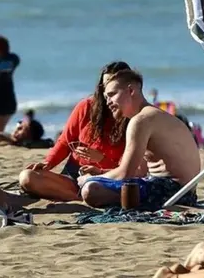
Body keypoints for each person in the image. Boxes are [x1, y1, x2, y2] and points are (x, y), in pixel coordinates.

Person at [78, 69, 201, 209]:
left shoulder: (140, 121)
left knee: (91, 189)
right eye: (106, 97)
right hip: (186, 193)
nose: (108, 102)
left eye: (112, 95)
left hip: (171, 192)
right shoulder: (152, 116)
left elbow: (125, 173)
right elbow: (140, 171)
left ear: (131, 90)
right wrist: (101, 173)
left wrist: (91, 179)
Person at [18, 61, 130, 202]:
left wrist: (100, 160)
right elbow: (65, 141)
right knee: (27, 177)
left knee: (93, 189)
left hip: (107, 179)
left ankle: (83, 197)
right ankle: (77, 199)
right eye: (105, 84)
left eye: (114, 86)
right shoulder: (87, 106)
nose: (108, 91)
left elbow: (129, 170)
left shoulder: (133, 117)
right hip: (74, 175)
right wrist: (48, 163)